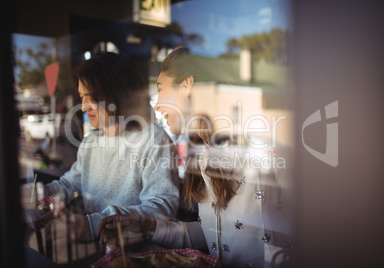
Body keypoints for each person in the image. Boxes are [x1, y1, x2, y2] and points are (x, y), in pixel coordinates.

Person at [97, 47, 293, 267]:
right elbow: (211, 232)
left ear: (187, 85)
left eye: (161, 88)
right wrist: (146, 227)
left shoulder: (263, 150)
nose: (158, 103)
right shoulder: (200, 156)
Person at [21, 52, 180, 242]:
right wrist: (33, 194)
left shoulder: (153, 139)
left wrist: (93, 224)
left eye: (91, 97)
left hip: (138, 257)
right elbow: (69, 185)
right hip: (98, 252)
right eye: (82, 97)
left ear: (117, 95)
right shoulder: (92, 142)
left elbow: (160, 208)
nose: (83, 107)